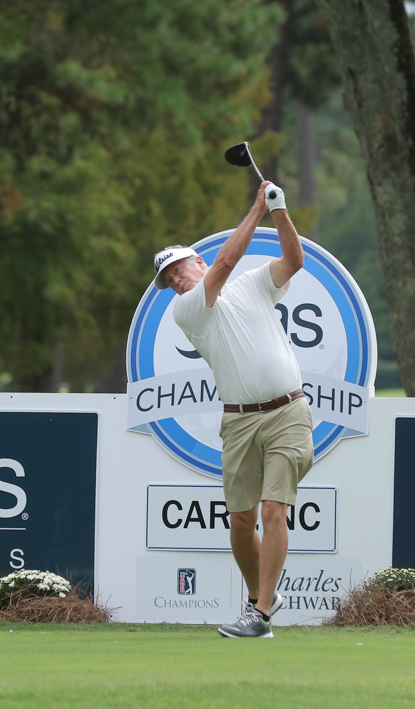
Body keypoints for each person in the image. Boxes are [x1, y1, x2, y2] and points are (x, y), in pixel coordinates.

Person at [152, 181, 311, 639]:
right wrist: (258, 208)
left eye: (179, 269)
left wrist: (279, 211)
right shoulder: (188, 310)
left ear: (196, 262)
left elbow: (294, 261)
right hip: (239, 420)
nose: (176, 280)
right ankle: (262, 596)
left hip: (288, 411)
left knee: (274, 510)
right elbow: (225, 263)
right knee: (242, 521)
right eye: (169, 280)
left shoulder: (253, 285)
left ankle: (259, 614)